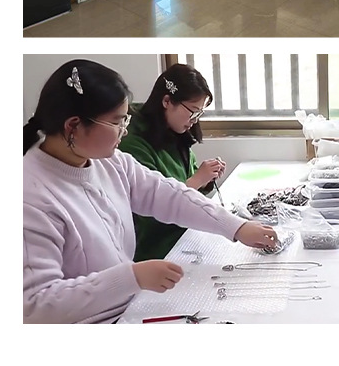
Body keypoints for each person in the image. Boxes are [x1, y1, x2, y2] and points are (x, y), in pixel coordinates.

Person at [23, 60, 277, 324]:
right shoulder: (31, 197)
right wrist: (130, 277)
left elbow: (168, 195)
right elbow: (35, 307)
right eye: (117, 122)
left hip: (130, 308)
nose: (125, 131)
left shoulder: (110, 162)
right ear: (73, 126)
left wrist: (236, 227)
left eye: (126, 119)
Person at [119, 64, 227, 261]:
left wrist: (205, 179)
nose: (195, 120)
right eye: (193, 111)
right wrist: (197, 180)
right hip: (154, 248)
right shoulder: (133, 142)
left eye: (199, 113)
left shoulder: (173, 128)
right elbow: (151, 206)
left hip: (184, 234)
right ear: (167, 101)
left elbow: (186, 177)